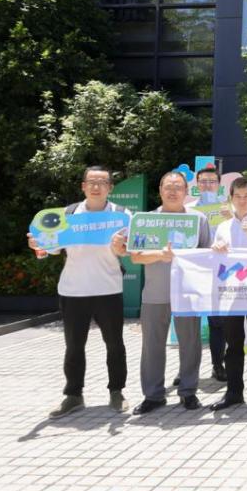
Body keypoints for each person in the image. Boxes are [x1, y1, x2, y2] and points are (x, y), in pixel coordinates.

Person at [28, 165, 130, 418]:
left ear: (110, 188)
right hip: (73, 290)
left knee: (115, 344)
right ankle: (73, 395)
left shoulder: (122, 215)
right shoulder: (67, 214)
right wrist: (38, 244)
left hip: (108, 289)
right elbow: (51, 249)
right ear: (83, 186)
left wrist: (121, 247)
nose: (96, 187)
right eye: (91, 182)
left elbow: (127, 251)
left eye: (102, 182)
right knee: (74, 346)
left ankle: (116, 391)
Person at [127, 170, 212, 414]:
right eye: (168, 186)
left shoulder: (198, 220)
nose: (173, 191)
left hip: (187, 293)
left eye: (178, 187)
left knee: (190, 344)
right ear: (160, 190)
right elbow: (136, 256)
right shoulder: (146, 220)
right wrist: (159, 255)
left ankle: (188, 391)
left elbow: (206, 255)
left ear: (186, 192)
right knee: (152, 345)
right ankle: (153, 395)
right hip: (155, 293)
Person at [209, 177, 247, 410]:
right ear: (231, 199)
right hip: (231, 292)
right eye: (238, 196)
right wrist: (217, 248)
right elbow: (216, 257)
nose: (242, 200)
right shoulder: (224, 226)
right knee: (233, 345)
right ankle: (234, 392)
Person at [194, 165, 228, 383]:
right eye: (203, 182)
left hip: (221, 273)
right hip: (194, 273)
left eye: (212, 182)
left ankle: (218, 365)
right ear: (197, 185)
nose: (207, 185)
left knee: (218, 322)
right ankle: (186, 369)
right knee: (188, 323)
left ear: (219, 185)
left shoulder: (228, 209)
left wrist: (232, 218)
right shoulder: (188, 210)